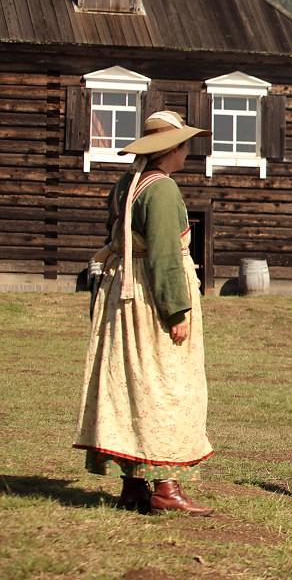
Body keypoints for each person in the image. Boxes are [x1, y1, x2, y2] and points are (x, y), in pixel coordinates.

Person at [73, 110, 215, 516]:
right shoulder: (164, 190)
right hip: (150, 299)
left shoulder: (125, 185)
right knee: (164, 384)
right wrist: (176, 313)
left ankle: (133, 486)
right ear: (173, 149)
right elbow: (166, 256)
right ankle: (165, 487)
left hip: (123, 295)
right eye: (185, 144)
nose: (188, 152)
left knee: (132, 385)